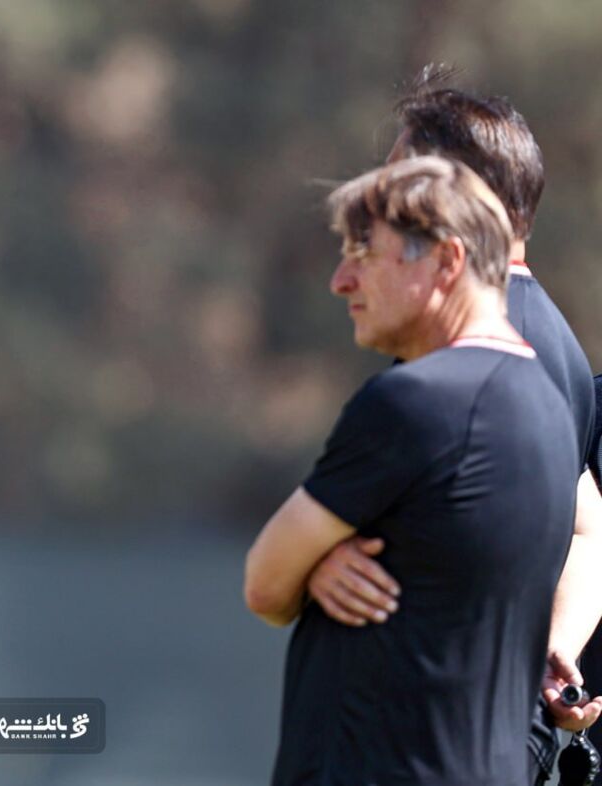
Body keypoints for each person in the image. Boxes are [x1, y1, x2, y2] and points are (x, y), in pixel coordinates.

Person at [303, 75, 602, 782]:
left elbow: (267, 577)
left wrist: (312, 561)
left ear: (459, 199)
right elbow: (586, 523)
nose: (379, 204)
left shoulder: (488, 351)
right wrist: (555, 648)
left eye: (399, 185)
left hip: (441, 747)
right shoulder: (536, 332)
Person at [245, 156, 580, 784]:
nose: (341, 281)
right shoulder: (548, 400)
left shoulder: (413, 401)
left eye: (365, 254)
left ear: (447, 261)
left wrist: (311, 564)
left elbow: (264, 584)